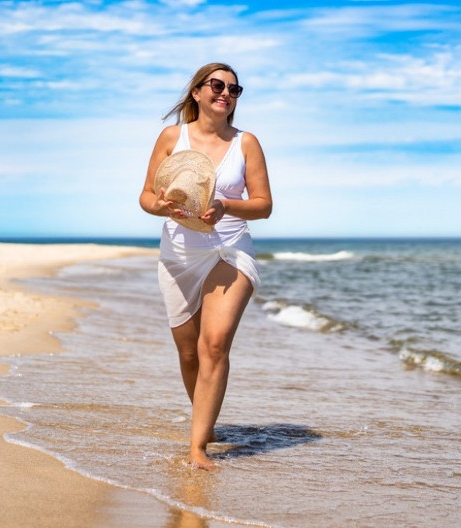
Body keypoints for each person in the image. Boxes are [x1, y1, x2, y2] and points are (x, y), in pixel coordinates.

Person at [139, 63, 272, 470]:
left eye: (235, 89)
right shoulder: (171, 137)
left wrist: (226, 205)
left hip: (230, 249)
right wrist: (158, 206)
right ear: (197, 92)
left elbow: (264, 205)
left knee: (213, 343)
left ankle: (197, 447)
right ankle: (206, 422)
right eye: (218, 85)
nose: (226, 93)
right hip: (179, 254)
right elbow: (145, 196)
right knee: (188, 354)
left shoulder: (246, 143)